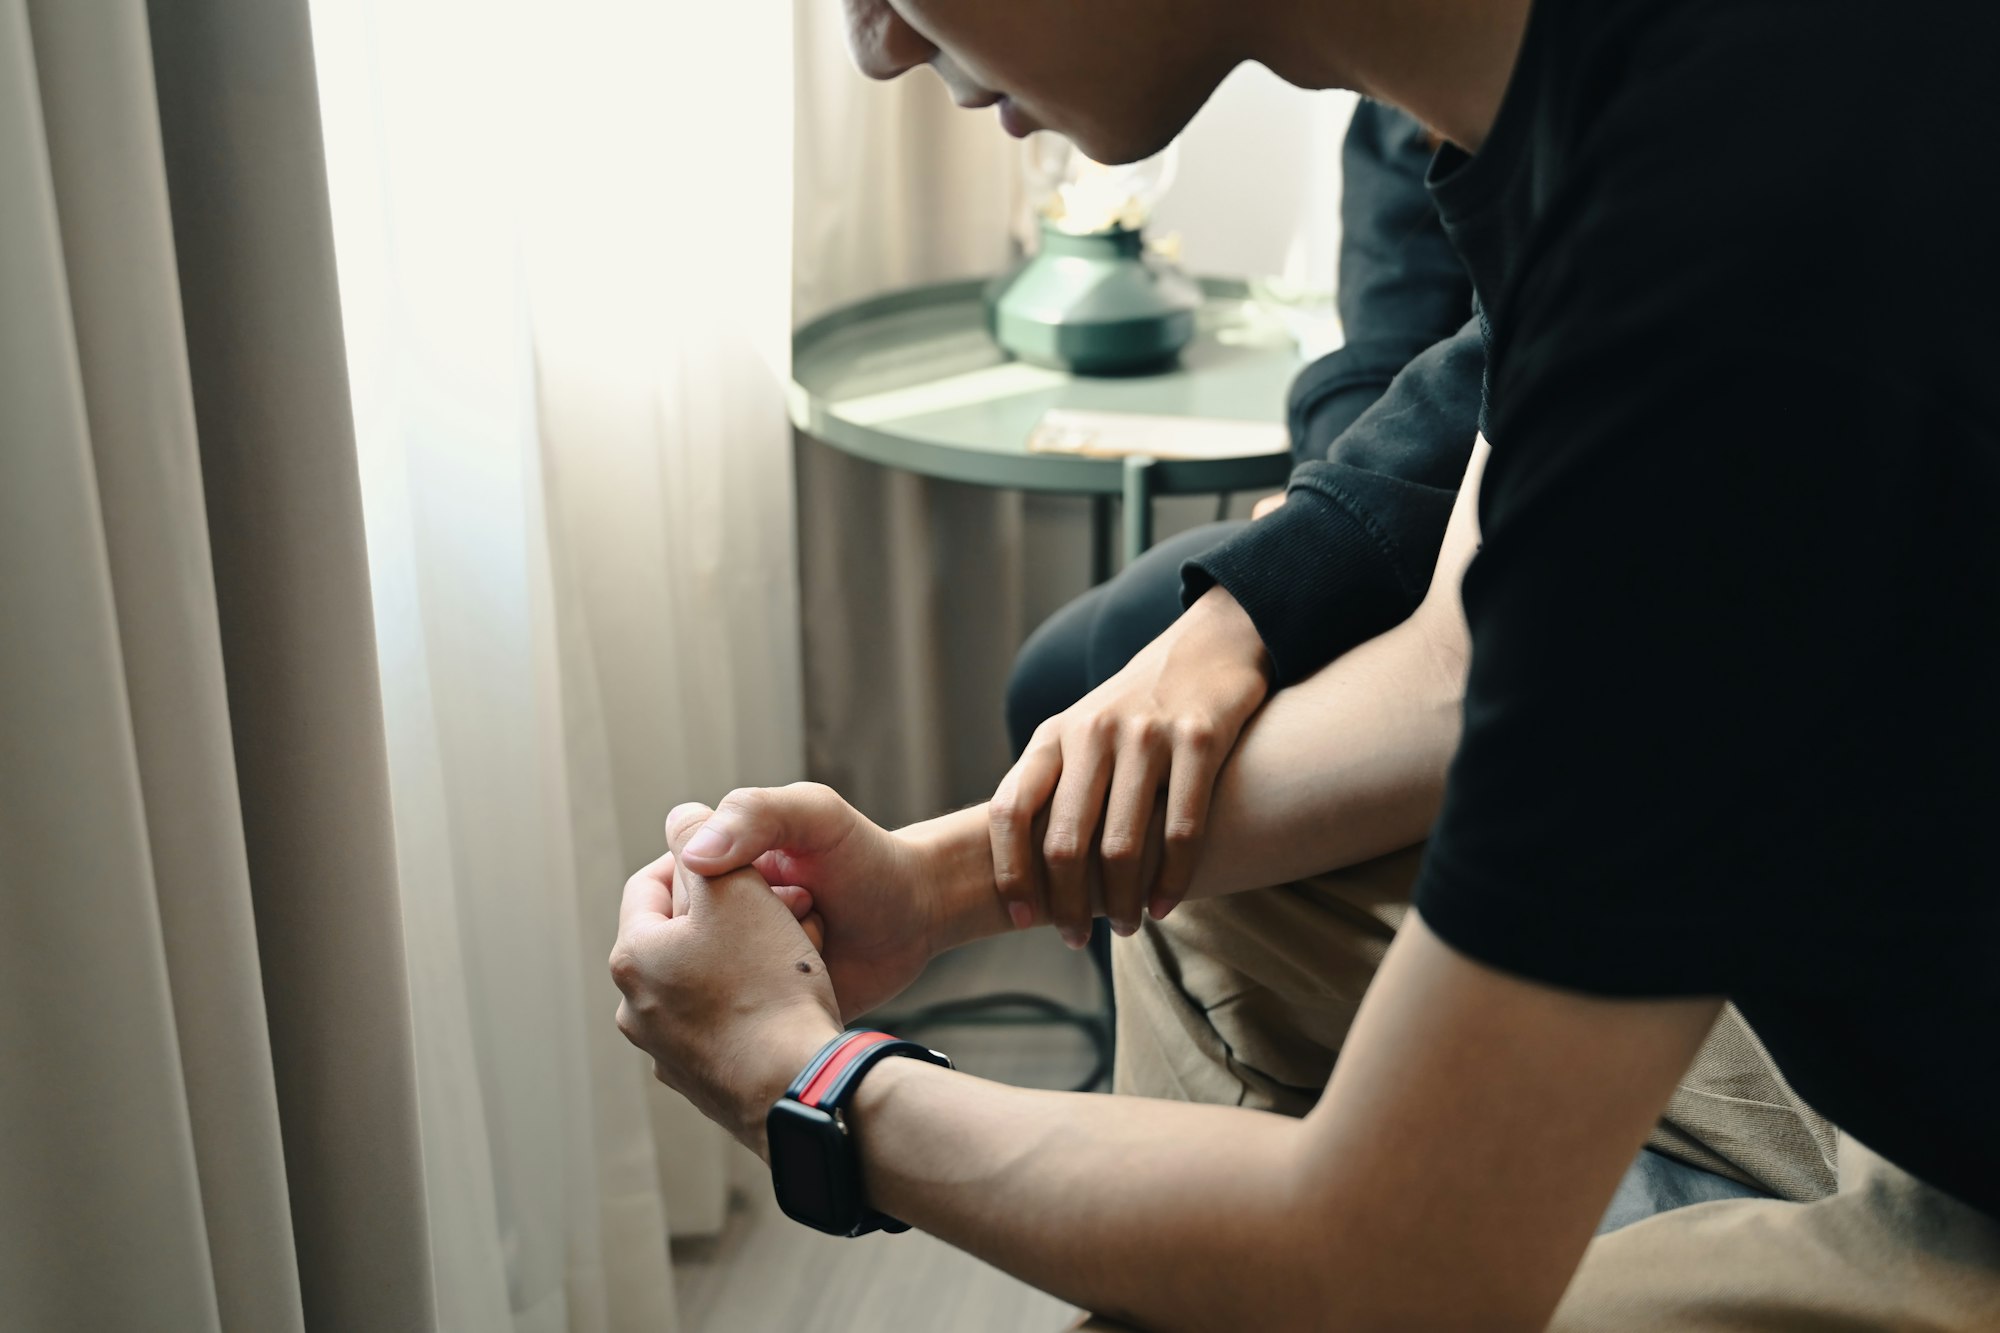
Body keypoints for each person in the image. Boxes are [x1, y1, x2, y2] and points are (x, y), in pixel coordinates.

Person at [611, 0, 2000, 1327]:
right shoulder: (1601, 93)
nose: (875, 44)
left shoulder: (1730, 243)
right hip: (1878, 975)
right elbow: (1457, 672)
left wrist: (806, 1078)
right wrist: (928, 885)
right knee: (1205, 904)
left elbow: (1398, 1265)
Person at [1003, 97, 1835, 1219]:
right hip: (1429, 493)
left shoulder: (1709, 118)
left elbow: (1462, 669)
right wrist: (1298, 536)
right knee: (1105, 697)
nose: (877, 38)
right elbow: (1423, 352)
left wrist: (829, 1090)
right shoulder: (1526, 132)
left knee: (1195, 821)